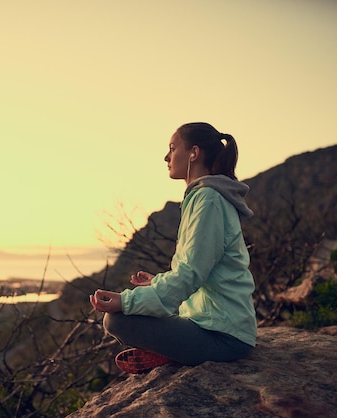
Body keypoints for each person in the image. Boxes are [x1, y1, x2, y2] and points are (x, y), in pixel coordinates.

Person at [89, 122, 257, 374]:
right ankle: (175, 350)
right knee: (130, 315)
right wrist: (157, 283)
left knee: (116, 319)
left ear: (194, 153)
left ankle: (174, 352)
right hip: (214, 325)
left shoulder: (209, 200)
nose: (166, 157)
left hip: (224, 336)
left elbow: (190, 274)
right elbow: (201, 271)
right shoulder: (204, 197)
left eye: (172, 148)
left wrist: (126, 300)